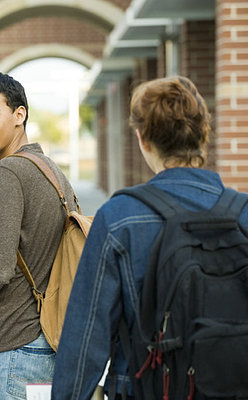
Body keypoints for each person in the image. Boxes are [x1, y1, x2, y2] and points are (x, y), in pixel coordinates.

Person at [51, 76, 248, 399]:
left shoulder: (119, 217)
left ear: (143, 140)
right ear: (204, 135)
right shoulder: (243, 213)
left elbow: (86, 337)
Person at [0, 72, 77, 399]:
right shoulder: (50, 170)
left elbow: (0, 268)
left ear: (19, 115)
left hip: (13, 345)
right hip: (49, 341)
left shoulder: (8, 171)